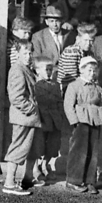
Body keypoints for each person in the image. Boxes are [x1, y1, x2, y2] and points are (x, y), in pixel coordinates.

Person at [62, 56, 102, 194]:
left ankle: (90, 181)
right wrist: (74, 122)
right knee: (79, 152)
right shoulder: (74, 85)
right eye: (89, 70)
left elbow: (99, 103)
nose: (92, 73)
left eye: (94, 71)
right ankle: (73, 180)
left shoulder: (97, 87)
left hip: (95, 121)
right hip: (81, 121)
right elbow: (68, 105)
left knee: (93, 152)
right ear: (82, 71)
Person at [1, 40, 40, 196]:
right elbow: (16, 97)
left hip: (27, 118)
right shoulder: (17, 70)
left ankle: (24, 179)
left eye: (30, 53)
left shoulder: (25, 69)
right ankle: (9, 183)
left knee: (27, 149)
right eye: (25, 53)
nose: (29, 56)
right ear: (17, 54)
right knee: (18, 149)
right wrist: (31, 109)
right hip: (23, 117)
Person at [32, 56, 68, 186]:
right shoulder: (35, 85)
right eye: (46, 69)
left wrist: (60, 117)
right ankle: (35, 169)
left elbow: (59, 102)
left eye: (50, 70)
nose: (49, 72)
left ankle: (44, 165)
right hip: (42, 119)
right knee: (39, 145)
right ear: (37, 71)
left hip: (54, 120)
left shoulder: (56, 85)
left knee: (53, 145)